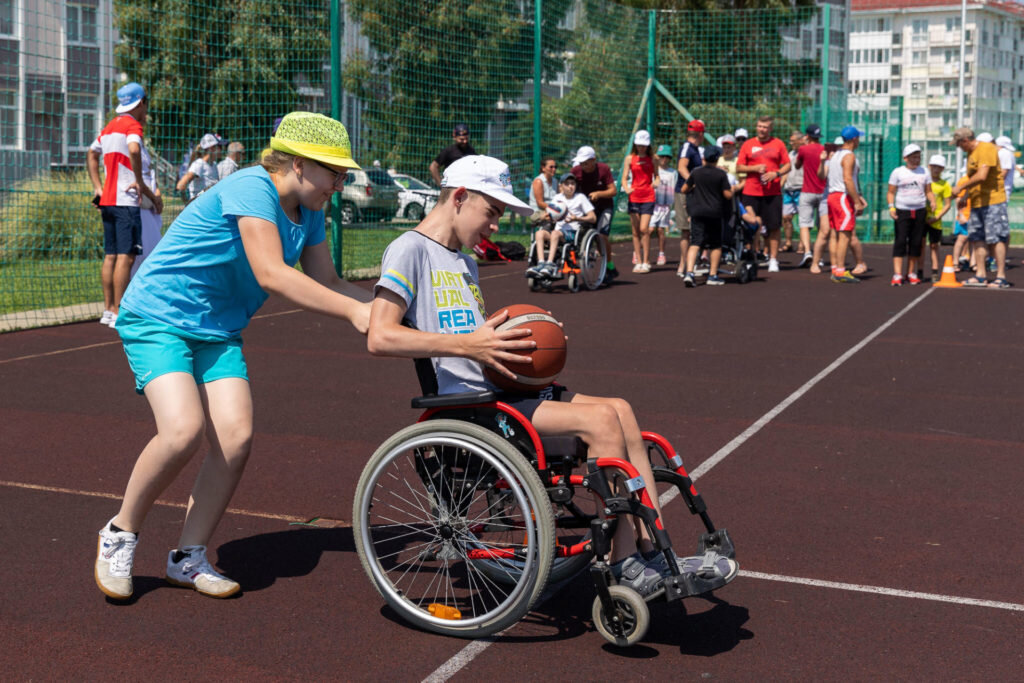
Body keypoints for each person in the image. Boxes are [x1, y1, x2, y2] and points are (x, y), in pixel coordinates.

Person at [368, 154, 738, 596]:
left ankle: (650, 548)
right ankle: (623, 564)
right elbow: (380, 336)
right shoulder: (409, 249)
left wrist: (524, 341)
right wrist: (469, 345)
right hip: (472, 408)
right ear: (460, 197)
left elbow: (479, 339)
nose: (495, 227)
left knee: (621, 409)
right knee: (600, 422)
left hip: (502, 391)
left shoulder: (463, 262)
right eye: (492, 212)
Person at [93, 112, 372, 601]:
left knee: (236, 438)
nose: (340, 182)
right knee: (182, 431)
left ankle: (188, 557)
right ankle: (120, 531)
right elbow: (272, 274)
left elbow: (327, 281)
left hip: (218, 329)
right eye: (335, 171)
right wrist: (355, 314)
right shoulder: (251, 187)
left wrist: (387, 310)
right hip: (159, 315)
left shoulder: (310, 212)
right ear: (301, 164)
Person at [86, 82, 162, 329]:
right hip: (125, 201)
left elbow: (91, 153)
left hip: (107, 199)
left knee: (110, 256)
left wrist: (98, 186)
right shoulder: (132, 125)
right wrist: (139, 181)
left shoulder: (109, 127)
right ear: (141, 102)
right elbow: (133, 148)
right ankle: (120, 312)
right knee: (125, 258)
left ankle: (108, 309)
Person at [951, 127, 1011, 288]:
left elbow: (982, 176)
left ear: (965, 141)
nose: (959, 148)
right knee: (977, 238)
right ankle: (980, 275)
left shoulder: (986, 148)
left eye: (959, 144)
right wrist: (966, 196)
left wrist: (960, 188)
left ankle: (1001, 276)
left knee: (996, 237)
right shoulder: (970, 154)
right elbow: (974, 178)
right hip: (977, 202)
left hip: (993, 200)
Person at [735, 116, 790, 273]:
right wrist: (754, 168)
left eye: (765, 127)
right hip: (751, 192)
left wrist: (776, 174)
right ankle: (750, 255)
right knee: (750, 225)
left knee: (774, 227)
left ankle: (773, 259)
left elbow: (788, 165)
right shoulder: (748, 144)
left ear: (770, 129)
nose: (761, 129)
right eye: (759, 126)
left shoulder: (778, 143)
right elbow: (739, 167)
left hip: (772, 193)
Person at [680, 146, 733, 287]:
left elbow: (684, 189)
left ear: (704, 158)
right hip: (714, 212)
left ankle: (689, 273)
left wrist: (695, 188)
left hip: (697, 211)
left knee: (695, 242)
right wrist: (731, 190)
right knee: (716, 245)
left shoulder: (696, 173)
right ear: (717, 159)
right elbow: (727, 195)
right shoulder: (721, 174)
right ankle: (713, 275)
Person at [526, 173, 595, 278]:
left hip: (573, 234)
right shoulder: (557, 198)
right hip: (557, 232)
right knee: (539, 233)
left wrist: (577, 218)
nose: (571, 186)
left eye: (573, 183)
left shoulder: (580, 198)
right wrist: (547, 217)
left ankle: (549, 264)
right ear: (561, 186)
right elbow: (551, 214)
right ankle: (541, 263)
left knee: (555, 233)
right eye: (567, 184)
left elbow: (593, 218)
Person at [887, 144, 936, 286]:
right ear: (905, 158)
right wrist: (891, 208)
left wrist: (932, 200)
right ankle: (897, 274)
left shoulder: (924, 172)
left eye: (918, 157)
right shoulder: (898, 172)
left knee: (916, 243)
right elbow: (891, 192)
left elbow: (928, 191)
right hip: (902, 211)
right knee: (901, 241)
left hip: (920, 210)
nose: (916, 160)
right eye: (913, 157)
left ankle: (911, 273)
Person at [824, 126, 867, 283]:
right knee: (845, 235)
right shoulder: (849, 156)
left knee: (837, 234)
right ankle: (840, 271)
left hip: (833, 196)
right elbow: (848, 179)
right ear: (854, 139)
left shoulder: (835, 155)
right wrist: (856, 201)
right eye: (859, 138)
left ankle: (837, 268)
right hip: (842, 197)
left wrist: (858, 198)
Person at [571, 145, 619, 280]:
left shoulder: (603, 169)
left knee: (602, 237)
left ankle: (609, 266)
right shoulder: (575, 171)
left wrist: (599, 193)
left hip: (604, 206)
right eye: (581, 163)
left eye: (586, 162)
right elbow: (566, 187)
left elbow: (613, 191)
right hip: (586, 208)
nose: (583, 166)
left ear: (593, 160)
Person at [622, 130, 657, 272]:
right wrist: (626, 188)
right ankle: (639, 260)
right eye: (639, 145)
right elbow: (624, 177)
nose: (641, 148)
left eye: (644, 145)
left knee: (644, 228)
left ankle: (647, 260)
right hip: (634, 196)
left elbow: (657, 175)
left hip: (648, 196)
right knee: (635, 231)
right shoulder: (630, 158)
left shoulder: (653, 158)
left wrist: (656, 182)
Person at [674, 119, 705, 277]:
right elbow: (681, 167)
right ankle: (683, 264)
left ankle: (691, 263)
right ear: (701, 134)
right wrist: (693, 183)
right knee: (686, 230)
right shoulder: (687, 147)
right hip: (684, 192)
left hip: (694, 192)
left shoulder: (696, 149)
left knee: (695, 229)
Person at [794, 124, 826, 269]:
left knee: (804, 224)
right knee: (822, 227)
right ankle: (819, 257)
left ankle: (807, 251)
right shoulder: (824, 149)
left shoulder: (803, 149)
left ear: (807, 136)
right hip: (823, 192)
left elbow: (797, 165)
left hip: (807, 191)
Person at [130, 139, 163, 278]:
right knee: (139, 256)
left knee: (154, 252)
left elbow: (150, 175)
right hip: (137, 208)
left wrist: (157, 195)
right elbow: (138, 182)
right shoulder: (131, 149)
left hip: (150, 211)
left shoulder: (142, 149)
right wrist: (153, 197)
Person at [925, 154, 952, 282]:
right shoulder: (924, 181)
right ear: (929, 166)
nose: (936, 169)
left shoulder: (945, 185)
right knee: (919, 245)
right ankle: (918, 271)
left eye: (939, 167)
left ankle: (935, 272)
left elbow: (948, 205)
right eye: (934, 166)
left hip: (936, 221)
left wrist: (937, 217)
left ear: (943, 169)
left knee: (934, 246)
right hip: (922, 218)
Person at [176, 133, 222, 202]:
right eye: (220, 147)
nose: (223, 149)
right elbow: (181, 185)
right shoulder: (199, 164)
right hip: (199, 209)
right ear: (212, 148)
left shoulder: (214, 165)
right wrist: (188, 203)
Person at [652, 144, 677, 266]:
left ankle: (661, 254)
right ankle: (639, 252)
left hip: (665, 205)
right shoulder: (653, 170)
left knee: (661, 230)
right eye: (661, 156)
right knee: (648, 229)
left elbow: (676, 188)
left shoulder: (673, 172)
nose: (664, 159)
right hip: (651, 204)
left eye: (666, 157)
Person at [429, 122, 477, 186]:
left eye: (466, 139)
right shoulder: (449, 151)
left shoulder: (471, 151)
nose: (465, 141)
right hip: (452, 187)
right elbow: (433, 167)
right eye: (461, 139)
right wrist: (441, 185)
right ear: (455, 137)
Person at [781, 130, 805, 254]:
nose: (791, 143)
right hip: (789, 190)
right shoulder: (790, 154)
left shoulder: (806, 153)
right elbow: (786, 171)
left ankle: (802, 244)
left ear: (801, 140)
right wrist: (781, 185)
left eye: (793, 141)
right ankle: (789, 242)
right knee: (786, 217)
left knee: (803, 219)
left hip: (801, 189)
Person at [951, 168, 972, 271]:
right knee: (961, 239)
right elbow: (959, 198)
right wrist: (961, 214)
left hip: (976, 215)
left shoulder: (980, 179)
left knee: (976, 241)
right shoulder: (964, 180)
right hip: (966, 214)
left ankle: (973, 263)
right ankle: (955, 263)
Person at [527, 156, 557, 225]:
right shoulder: (538, 181)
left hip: (551, 210)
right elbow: (540, 203)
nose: (554, 169)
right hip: (537, 211)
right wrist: (555, 209)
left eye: (555, 167)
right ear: (543, 168)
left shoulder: (555, 181)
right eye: (551, 167)